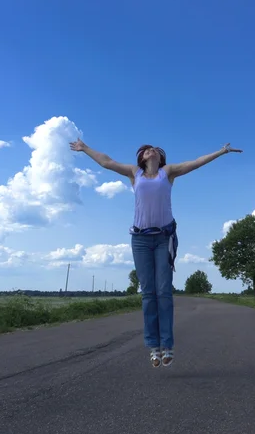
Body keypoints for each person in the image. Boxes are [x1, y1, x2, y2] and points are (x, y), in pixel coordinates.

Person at [69, 139, 242, 368]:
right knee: (148, 293)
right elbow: (106, 162)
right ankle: (154, 347)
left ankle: (167, 346)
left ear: (160, 159)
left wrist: (221, 152)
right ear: (142, 158)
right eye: (146, 150)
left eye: (155, 150)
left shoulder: (167, 173)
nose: (151, 151)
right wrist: (85, 148)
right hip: (140, 239)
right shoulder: (134, 173)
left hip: (163, 238)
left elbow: (196, 163)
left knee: (163, 292)